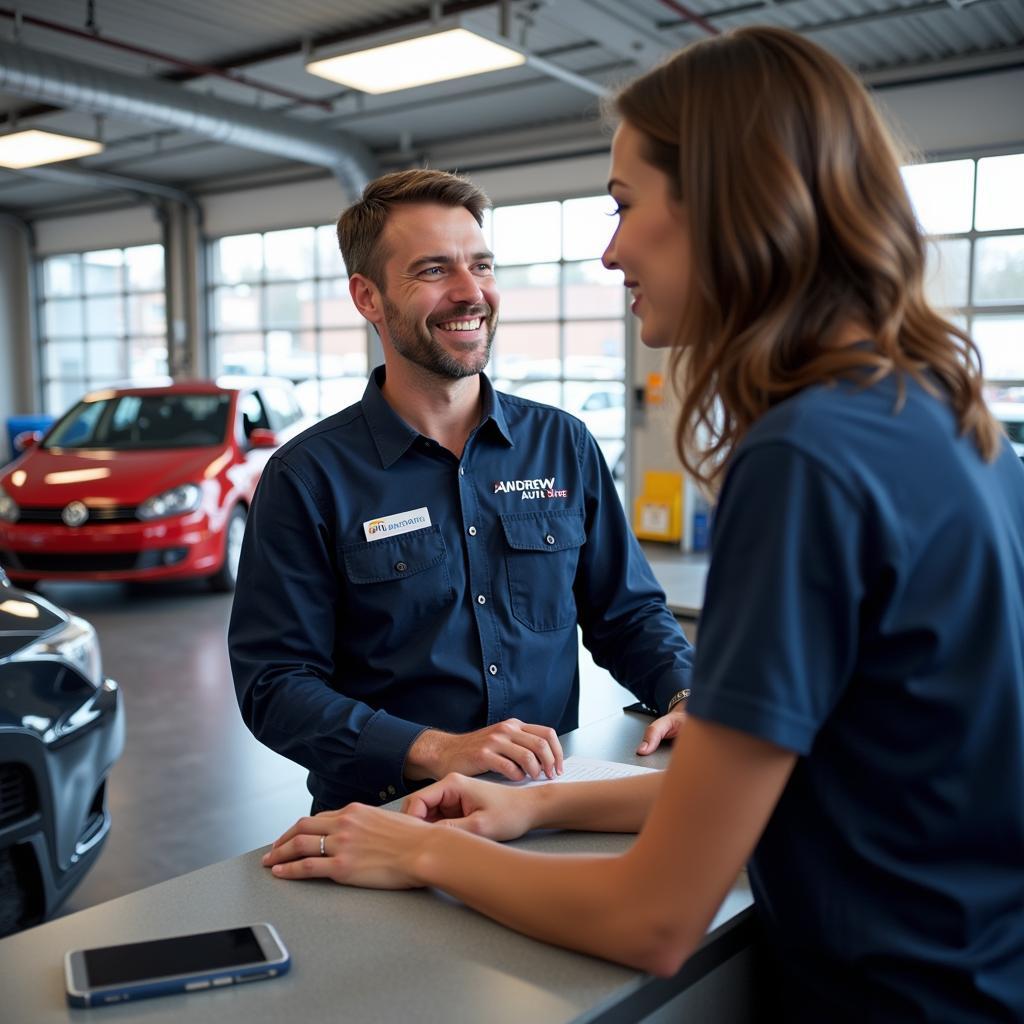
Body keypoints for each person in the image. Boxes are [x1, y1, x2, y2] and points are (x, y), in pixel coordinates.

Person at [261, 26, 1024, 1022]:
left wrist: (424, 848)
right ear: (368, 298)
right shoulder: (947, 414)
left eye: (624, 206)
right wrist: (533, 802)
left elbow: (655, 915)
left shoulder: (801, 457)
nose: (610, 248)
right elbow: (831, 761)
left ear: (723, 200)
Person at [229, 168, 696, 812]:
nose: (470, 292)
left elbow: (628, 612)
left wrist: (683, 693)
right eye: (433, 271)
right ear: (367, 297)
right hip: (385, 817)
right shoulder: (306, 478)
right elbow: (274, 686)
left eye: (482, 266)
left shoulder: (563, 446)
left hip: (545, 804)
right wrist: (433, 747)